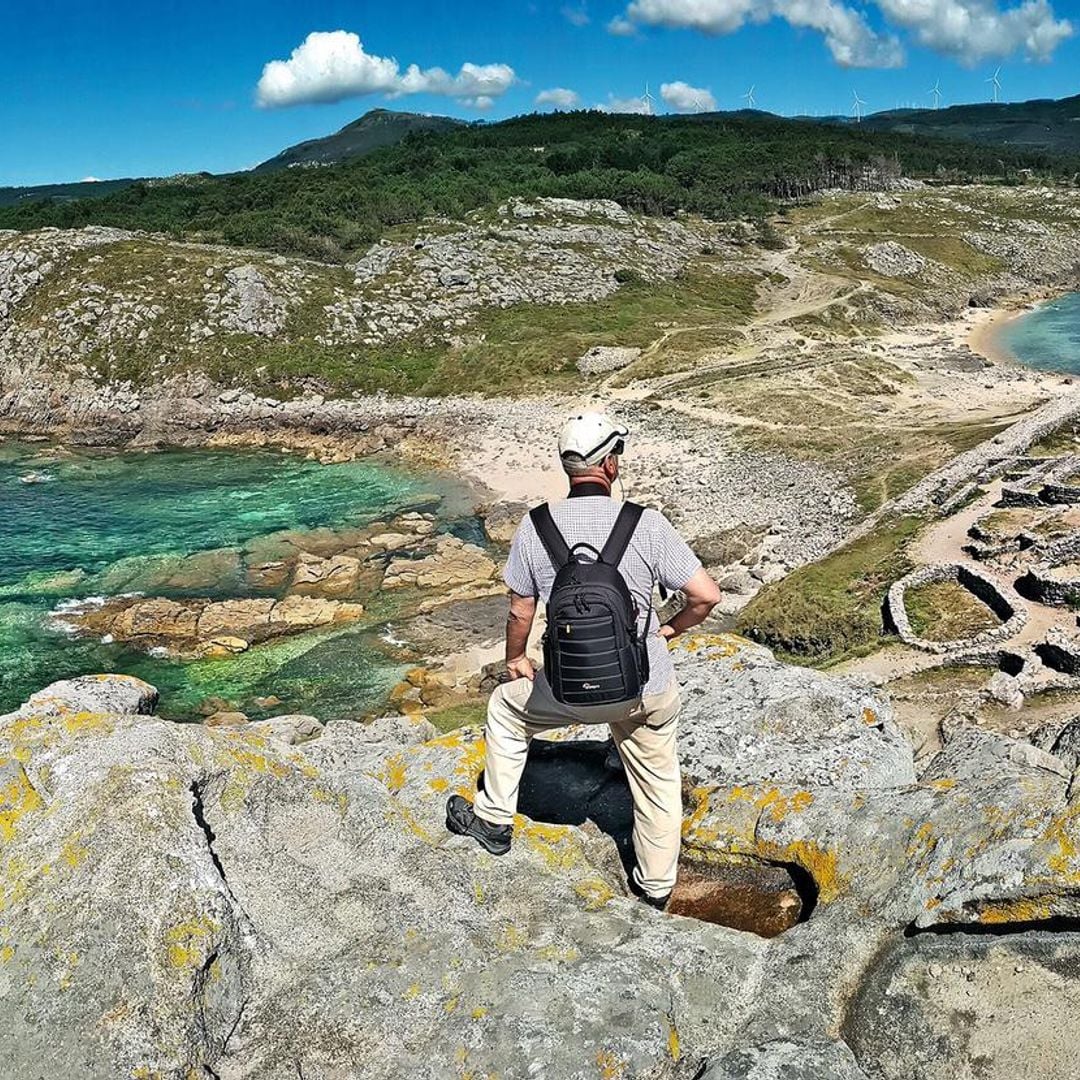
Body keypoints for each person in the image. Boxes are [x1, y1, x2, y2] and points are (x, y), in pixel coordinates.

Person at [446, 411, 721, 910]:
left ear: (568, 468)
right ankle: (656, 888)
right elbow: (706, 596)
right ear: (611, 464)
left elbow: (519, 610)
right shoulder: (647, 523)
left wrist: (515, 660)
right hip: (644, 688)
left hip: (569, 692)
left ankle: (493, 821)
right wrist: (669, 628)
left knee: (507, 709)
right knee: (657, 777)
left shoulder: (536, 526)